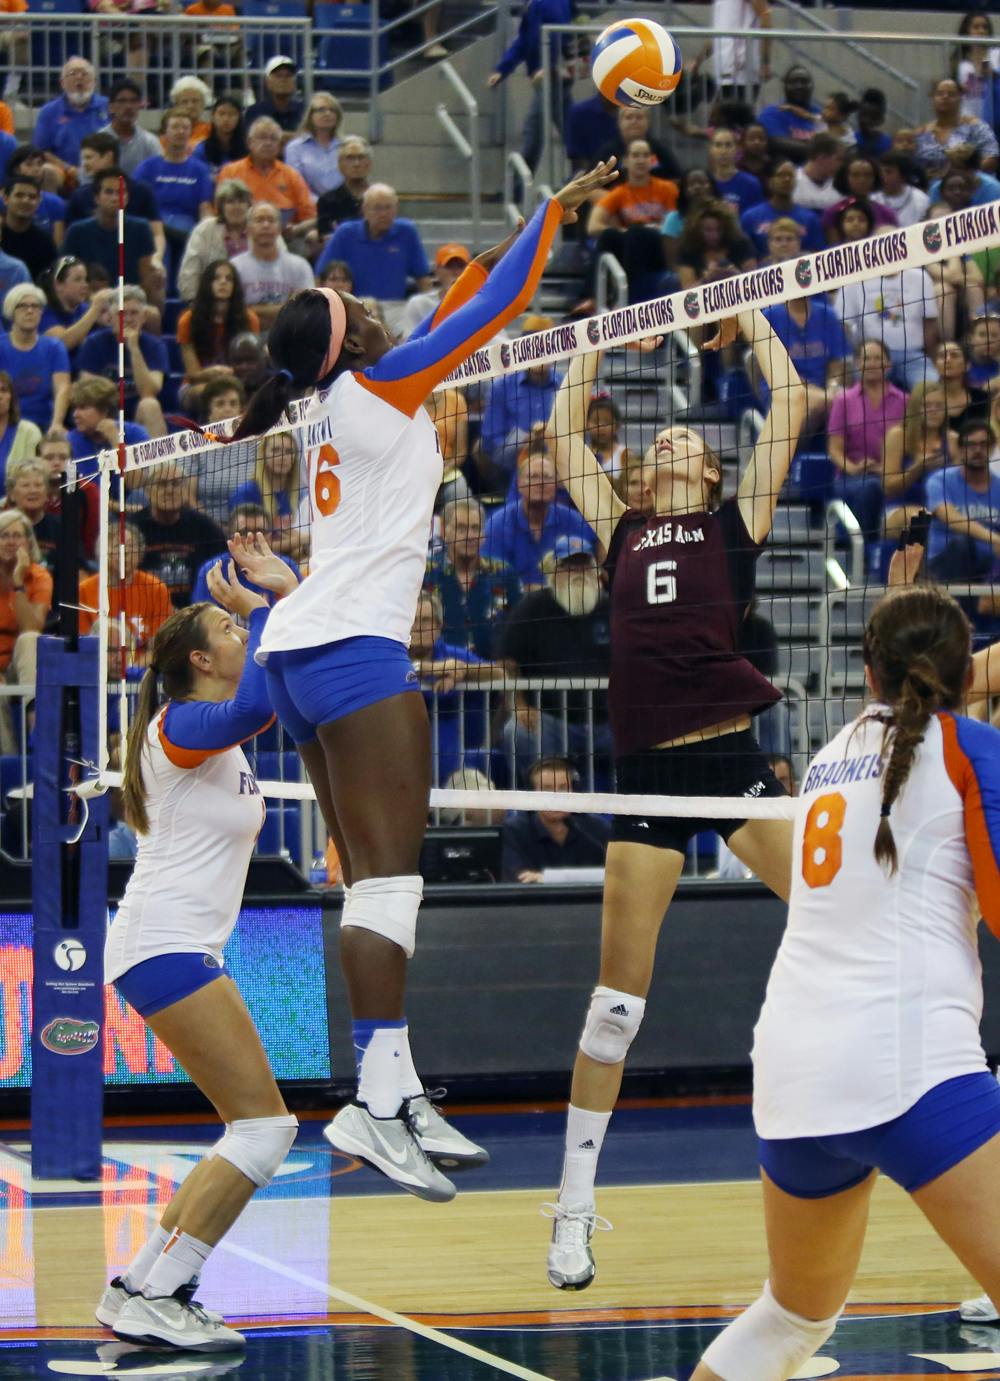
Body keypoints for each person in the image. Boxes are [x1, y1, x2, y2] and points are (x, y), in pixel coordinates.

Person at [225, 162, 614, 1199]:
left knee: (372, 881)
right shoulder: (369, 387)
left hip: (303, 647)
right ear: (348, 339)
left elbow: (454, 298)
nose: (369, 304)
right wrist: (555, 214)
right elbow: (496, 307)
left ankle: (389, 1088)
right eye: (357, 304)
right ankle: (373, 1095)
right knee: (393, 882)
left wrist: (520, 221)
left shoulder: (328, 399)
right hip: (350, 648)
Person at [542, 310, 805, 1291]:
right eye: (659, 437)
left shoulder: (734, 524)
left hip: (732, 762)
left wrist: (755, 325)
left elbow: (792, 402)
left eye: (686, 435)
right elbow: (567, 436)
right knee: (614, 1008)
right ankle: (571, 1210)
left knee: (840, 919)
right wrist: (592, 344)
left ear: (707, 464)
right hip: (648, 778)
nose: (670, 438)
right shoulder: (622, 527)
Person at [689, 583, 1000, 1381]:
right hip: (907, 1065)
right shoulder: (968, 748)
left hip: (794, 1075)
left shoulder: (833, 756)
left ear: (868, 675)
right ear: (966, 676)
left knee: (791, 1317)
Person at [96, 548, 300, 1353]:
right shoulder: (179, 723)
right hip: (163, 943)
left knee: (248, 1128)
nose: (242, 632)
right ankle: (161, 1288)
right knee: (263, 1130)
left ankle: (142, 1288)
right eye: (229, 626)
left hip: (176, 944)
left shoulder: (216, 730)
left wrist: (279, 603)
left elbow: (271, 696)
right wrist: (278, 600)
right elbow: (254, 707)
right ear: (198, 660)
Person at [498, 535, 612, 785]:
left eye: (583, 565)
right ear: (555, 571)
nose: (577, 573)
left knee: (646, 729)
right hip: (552, 721)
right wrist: (518, 704)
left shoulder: (612, 607)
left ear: (595, 570)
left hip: (608, 721)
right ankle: (537, 812)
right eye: (569, 566)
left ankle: (638, 810)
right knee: (516, 732)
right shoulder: (532, 607)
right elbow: (508, 662)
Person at [482, 439, 595, 585]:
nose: (540, 483)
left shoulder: (574, 521)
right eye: (533, 477)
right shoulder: (497, 524)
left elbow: (590, 570)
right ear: (519, 484)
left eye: (547, 477)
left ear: (556, 484)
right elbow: (492, 577)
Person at [827, 340, 907, 545]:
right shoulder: (843, 399)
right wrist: (853, 468)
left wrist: (886, 469)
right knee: (870, 487)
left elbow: (909, 444)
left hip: (889, 474)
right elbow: (834, 448)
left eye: (877, 358)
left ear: (888, 365)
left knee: (876, 486)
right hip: (849, 477)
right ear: (857, 364)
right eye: (866, 358)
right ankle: (865, 550)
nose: (871, 363)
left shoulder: (905, 401)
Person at [315, 183, 432, 323]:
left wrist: (430, 313)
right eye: (377, 208)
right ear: (364, 210)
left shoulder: (407, 232)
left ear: (396, 208)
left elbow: (422, 277)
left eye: (388, 207)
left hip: (396, 307)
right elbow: (321, 275)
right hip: (355, 306)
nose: (383, 214)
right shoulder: (346, 233)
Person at [424, 497, 521, 659]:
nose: (470, 536)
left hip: (492, 676)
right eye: (461, 528)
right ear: (443, 531)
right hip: (437, 674)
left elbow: (520, 629)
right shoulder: (424, 574)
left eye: (475, 528)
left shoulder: (505, 574)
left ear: (483, 534)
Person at [587, 140, 678, 304]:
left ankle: (627, 298)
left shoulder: (668, 188)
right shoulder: (620, 193)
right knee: (609, 235)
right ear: (626, 162)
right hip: (633, 244)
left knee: (637, 233)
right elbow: (593, 226)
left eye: (645, 156)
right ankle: (593, 298)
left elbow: (676, 224)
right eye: (635, 155)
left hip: (661, 244)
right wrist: (624, 232)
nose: (641, 160)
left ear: (653, 161)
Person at [834, 257, 941, 392]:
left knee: (931, 390)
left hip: (913, 356)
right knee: (859, 394)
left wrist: (932, 359)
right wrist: (853, 360)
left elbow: (930, 324)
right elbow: (843, 327)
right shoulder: (854, 280)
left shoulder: (920, 278)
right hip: (870, 359)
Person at [62, 169, 163, 309]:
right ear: (97, 198)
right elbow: (66, 277)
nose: (116, 198)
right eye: (109, 192)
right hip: (88, 303)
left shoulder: (141, 228)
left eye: (121, 192)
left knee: (154, 303)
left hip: (130, 302)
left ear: (127, 197)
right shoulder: (77, 231)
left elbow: (145, 278)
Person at [501, 757, 611, 883]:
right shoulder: (514, 831)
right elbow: (520, 879)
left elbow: (616, 875)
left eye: (563, 788)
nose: (556, 797)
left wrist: (546, 878)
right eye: (546, 789)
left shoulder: (596, 829)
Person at [78, 521, 172, 667]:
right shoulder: (84, 590)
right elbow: (83, 647)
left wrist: (133, 670)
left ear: (140, 555)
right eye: (117, 547)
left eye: (130, 547)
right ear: (101, 552)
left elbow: (160, 649)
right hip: (97, 671)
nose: (125, 552)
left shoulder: (156, 588)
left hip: (142, 670)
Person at [77, 285, 167, 435]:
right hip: (105, 415)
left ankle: (161, 459)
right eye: (122, 314)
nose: (128, 319)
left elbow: (149, 391)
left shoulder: (155, 346)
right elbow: (89, 393)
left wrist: (134, 348)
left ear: (143, 317)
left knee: (150, 405)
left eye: (134, 313)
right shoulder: (93, 343)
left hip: (137, 416)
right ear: (111, 317)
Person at [134, 462, 228, 606]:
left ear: (185, 489)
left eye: (177, 484)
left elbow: (223, 567)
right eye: (162, 484)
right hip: (146, 609)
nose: (170, 490)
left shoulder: (205, 527)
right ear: (147, 490)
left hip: (196, 612)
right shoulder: (134, 527)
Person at [0, 507, 51, 753]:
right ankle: (10, 767)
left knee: (30, 639)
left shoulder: (39, 577)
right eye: (4, 535)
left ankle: (35, 721)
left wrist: (18, 584)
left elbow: (32, 627)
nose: (11, 542)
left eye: (17, 536)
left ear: (28, 542)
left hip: (22, 667)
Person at [926, 416, 1000, 580]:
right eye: (970, 445)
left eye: (984, 444)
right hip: (946, 563)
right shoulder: (940, 480)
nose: (978, 450)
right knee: (962, 544)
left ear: (993, 448)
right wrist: (994, 539)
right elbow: (950, 517)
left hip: (990, 565)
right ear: (960, 450)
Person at [217, 119, 316, 240]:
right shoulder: (230, 172)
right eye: (262, 138)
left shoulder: (291, 175)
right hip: (239, 236)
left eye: (273, 139)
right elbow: (219, 212)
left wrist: (296, 229)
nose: (268, 143)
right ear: (249, 142)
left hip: (285, 238)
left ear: (279, 146)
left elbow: (310, 216)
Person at [190, 504, 300, 610]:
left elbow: (300, 610)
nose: (251, 538)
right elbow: (202, 619)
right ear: (231, 536)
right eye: (245, 532)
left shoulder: (286, 567)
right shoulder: (212, 569)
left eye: (260, 531)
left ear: (270, 535)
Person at [882, 382, 954, 539]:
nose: (934, 411)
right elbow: (888, 487)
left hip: (943, 510)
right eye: (927, 405)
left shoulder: (952, 439)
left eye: (939, 406)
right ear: (916, 409)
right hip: (899, 508)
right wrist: (916, 469)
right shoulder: (899, 436)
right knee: (920, 518)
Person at [231, 203, 314, 330]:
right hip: (246, 333)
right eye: (259, 220)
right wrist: (284, 307)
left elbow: (302, 310)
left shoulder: (300, 266)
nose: (266, 225)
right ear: (247, 228)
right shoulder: (235, 267)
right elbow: (236, 312)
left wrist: (252, 309)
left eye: (271, 220)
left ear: (280, 228)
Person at [177, 181, 260, 306]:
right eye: (230, 202)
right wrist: (194, 301)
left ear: (249, 206)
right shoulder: (204, 229)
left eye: (241, 202)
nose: (236, 207)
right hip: (210, 302)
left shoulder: (261, 228)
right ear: (221, 206)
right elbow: (190, 270)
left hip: (253, 301)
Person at [0, 285, 70, 433]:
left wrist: (57, 423)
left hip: (45, 425)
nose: (30, 311)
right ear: (11, 311)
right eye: (22, 306)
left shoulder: (54, 347)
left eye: (35, 306)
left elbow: (62, 388)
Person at [227, 430, 306, 562]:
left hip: (293, 559)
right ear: (263, 454)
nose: (282, 457)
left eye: (288, 452)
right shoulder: (245, 493)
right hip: (256, 561)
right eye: (275, 450)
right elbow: (249, 546)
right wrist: (302, 539)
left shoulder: (300, 494)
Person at [34, 58, 109, 191]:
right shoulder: (49, 111)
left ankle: (121, 211)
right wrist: (69, 169)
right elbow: (42, 151)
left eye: (85, 74)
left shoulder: (109, 106)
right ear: (62, 83)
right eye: (73, 73)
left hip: (104, 170)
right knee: (46, 170)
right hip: (65, 172)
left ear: (94, 81)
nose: (79, 78)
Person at [178, 262, 259, 378]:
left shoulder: (249, 319)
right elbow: (193, 375)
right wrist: (211, 373)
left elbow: (251, 367)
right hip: (199, 382)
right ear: (207, 284)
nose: (223, 282)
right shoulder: (188, 320)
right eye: (216, 278)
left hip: (238, 379)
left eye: (229, 279)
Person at [915, 77, 998, 182]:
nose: (945, 97)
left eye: (951, 94)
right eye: (940, 93)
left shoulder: (976, 127)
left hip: (971, 186)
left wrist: (963, 176)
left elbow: (992, 157)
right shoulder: (921, 133)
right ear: (932, 97)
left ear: (960, 98)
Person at [66, 377, 150, 474]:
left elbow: (136, 483)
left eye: (83, 407)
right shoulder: (70, 441)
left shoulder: (136, 434)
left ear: (105, 410)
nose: (75, 415)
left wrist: (116, 441)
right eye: (75, 408)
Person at [740, 161, 824, 254]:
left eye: (791, 176)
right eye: (781, 175)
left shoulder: (810, 219)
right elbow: (746, 255)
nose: (787, 179)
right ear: (769, 181)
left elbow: (817, 253)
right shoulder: (751, 217)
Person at [757, 65, 826, 163]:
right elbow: (777, 143)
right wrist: (821, 151)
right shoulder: (772, 113)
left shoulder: (821, 113)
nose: (799, 86)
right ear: (784, 86)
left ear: (812, 86)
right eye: (794, 82)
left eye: (804, 82)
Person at [401, 244, 471, 340]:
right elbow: (408, 341)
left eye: (460, 267)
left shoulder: (478, 303)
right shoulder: (418, 304)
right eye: (449, 266)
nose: (455, 272)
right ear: (437, 270)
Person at [3, 457, 60, 572]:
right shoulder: (2, 525)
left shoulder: (62, 526)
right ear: (12, 493)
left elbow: (79, 569)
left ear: (47, 492)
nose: (33, 490)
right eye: (25, 485)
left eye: (38, 485)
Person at [285, 94, 345, 198]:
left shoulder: (346, 146)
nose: (327, 113)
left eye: (332, 110)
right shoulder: (295, 148)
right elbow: (296, 185)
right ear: (310, 116)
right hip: (308, 206)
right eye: (321, 110)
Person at [0, 177, 58, 282]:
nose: (26, 201)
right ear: (5, 198)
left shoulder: (45, 243)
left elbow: (48, 283)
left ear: (39, 201)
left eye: (32, 197)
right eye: (19, 195)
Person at [98, 79, 161, 176]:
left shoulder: (150, 142)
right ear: (111, 107)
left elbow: (158, 175)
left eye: (134, 101)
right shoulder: (99, 140)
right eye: (122, 101)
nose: (128, 106)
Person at [316, 137, 371, 238]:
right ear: (340, 165)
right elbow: (326, 238)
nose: (356, 164)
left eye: (361, 157)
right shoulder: (327, 201)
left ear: (369, 163)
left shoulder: (381, 198)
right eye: (350, 158)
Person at [708, 126, 765, 216]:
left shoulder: (751, 184)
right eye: (718, 145)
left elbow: (758, 218)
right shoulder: (706, 183)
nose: (723, 151)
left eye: (728, 145)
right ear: (711, 149)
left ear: (736, 149)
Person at [246, 55, 305, 141]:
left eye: (288, 76)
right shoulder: (255, 112)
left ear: (295, 82)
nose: (283, 80)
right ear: (268, 82)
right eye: (278, 76)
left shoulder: (305, 110)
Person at [0, 371, 41, 492]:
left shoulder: (29, 432)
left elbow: (35, 479)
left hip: (17, 508)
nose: (0, 395)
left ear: (11, 397)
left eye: (4, 390)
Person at [956, 10, 1000, 122]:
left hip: (994, 116)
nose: (981, 31)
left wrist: (994, 75)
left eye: (985, 27)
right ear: (967, 31)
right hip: (968, 117)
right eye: (976, 27)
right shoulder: (961, 62)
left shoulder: (996, 54)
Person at [192, 93, 248, 178]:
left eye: (232, 114)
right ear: (213, 117)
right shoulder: (201, 150)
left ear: (239, 118)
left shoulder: (248, 149)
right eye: (221, 114)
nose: (226, 119)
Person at [873, 151, 930, 227]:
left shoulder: (921, 199)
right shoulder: (872, 199)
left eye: (888, 172)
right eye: (881, 171)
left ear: (903, 175)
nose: (882, 176)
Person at [792, 133, 844, 211]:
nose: (842, 164)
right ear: (822, 158)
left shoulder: (842, 186)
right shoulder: (791, 181)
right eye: (839, 159)